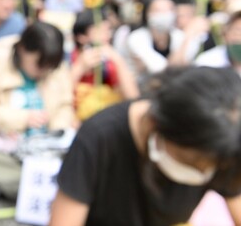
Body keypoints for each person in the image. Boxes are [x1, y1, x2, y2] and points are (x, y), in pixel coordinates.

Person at [50, 66, 241, 226]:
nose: (203, 172)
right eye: (192, 163)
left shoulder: (226, 146)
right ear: (156, 125)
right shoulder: (99, 139)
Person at [0, 22, 75, 200]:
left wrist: (56, 137)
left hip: (46, 150)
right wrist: (22, 119)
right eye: (39, 65)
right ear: (23, 49)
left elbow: (65, 105)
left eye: (49, 68)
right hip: (5, 146)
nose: (44, 72)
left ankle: (10, 184)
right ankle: (46, 189)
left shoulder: (56, 65)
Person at [70, 8, 139, 121]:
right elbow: (59, 97)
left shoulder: (110, 62)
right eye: (100, 31)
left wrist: (118, 62)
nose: (107, 36)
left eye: (108, 30)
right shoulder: (70, 60)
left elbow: (132, 98)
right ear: (81, 37)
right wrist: (79, 68)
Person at [126, 0, 205, 81]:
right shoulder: (136, 38)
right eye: (158, 10)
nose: (164, 14)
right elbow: (162, 70)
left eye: (169, 10)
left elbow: (185, 67)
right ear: (147, 14)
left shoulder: (178, 36)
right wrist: (187, 36)